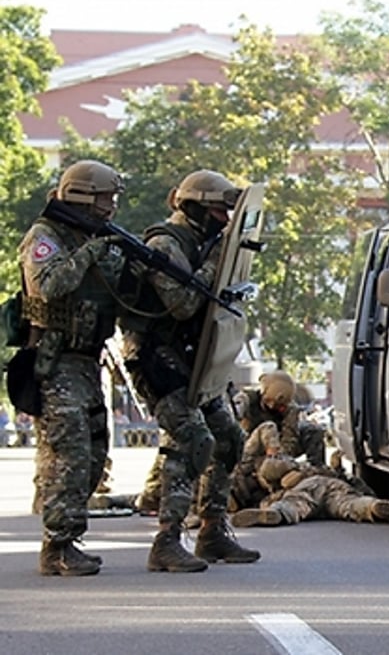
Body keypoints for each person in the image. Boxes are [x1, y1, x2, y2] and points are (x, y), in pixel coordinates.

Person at [119, 169, 259, 573]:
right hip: (156, 356)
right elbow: (183, 304)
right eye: (219, 211)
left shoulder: (204, 242)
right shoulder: (165, 244)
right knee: (190, 439)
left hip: (194, 355)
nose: (225, 220)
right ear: (196, 207)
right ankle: (167, 538)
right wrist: (217, 263)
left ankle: (213, 530)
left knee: (228, 437)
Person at [18, 160, 127, 576]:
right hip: (56, 363)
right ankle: (57, 546)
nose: (111, 207)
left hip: (88, 363)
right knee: (71, 455)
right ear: (81, 195)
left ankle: (68, 538)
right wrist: (90, 253)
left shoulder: (92, 237)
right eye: (105, 197)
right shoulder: (45, 237)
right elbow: (48, 287)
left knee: (96, 454)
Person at [229, 370, 326, 512]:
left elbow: (289, 440)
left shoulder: (290, 410)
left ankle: (316, 473)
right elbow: (232, 420)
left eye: (281, 406)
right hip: (249, 449)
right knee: (268, 428)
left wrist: (281, 465)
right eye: (272, 403)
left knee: (313, 430)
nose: (275, 407)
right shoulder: (247, 400)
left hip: (276, 453)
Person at [230, 454, 389, 527]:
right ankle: (373, 508)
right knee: (349, 504)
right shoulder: (312, 468)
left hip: (309, 490)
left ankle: (276, 515)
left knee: (294, 504)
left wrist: (267, 505)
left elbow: (290, 498)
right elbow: (351, 482)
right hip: (335, 485)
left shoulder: (290, 485)